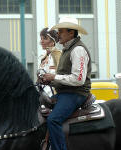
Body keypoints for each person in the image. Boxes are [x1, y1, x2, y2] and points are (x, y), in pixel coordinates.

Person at [41, 17, 92, 150]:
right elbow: (64, 77)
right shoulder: (67, 49)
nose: (58, 34)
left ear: (71, 33)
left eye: (61, 31)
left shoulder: (78, 50)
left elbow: (78, 79)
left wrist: (54, 77)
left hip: (76, 94)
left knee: (53, 119)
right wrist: (50, 80)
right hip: (66, 93)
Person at [38, 27, 62, 97]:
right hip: (43, 92)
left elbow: (59, 75)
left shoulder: (58, 54)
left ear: (53, 41)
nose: (41, 41)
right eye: (41, 38)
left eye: (45, 38)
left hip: (54, 93)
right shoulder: (43, 57)